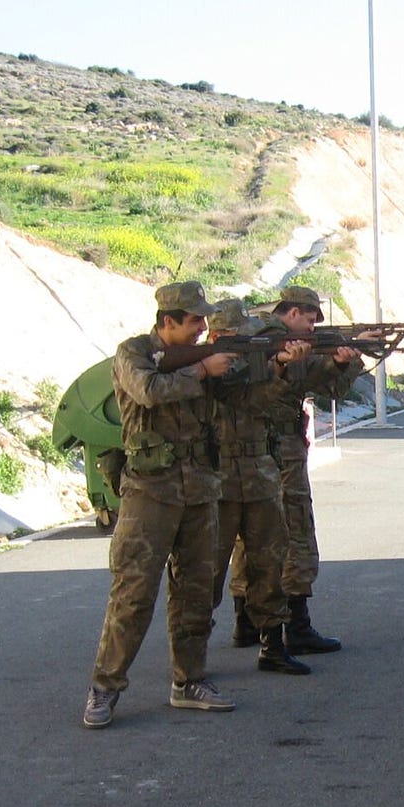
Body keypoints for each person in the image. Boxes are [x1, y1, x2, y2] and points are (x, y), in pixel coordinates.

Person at [83, 281, 241, 729]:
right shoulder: (132, 352)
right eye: (194, 321)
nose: (202, 328)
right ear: (167, 321)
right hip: (150, 493)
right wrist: (203, 370)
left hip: (200, 489)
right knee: (133, 594)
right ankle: (105, 686)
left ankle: (189, 680)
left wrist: (278, 363)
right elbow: (149, 390)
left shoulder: (202, 357)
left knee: (195, 593)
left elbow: (241, 399)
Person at [227, 285, 367, 654]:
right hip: (281, 449)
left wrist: (341, 361)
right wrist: (341, 363)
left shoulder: (254, 337)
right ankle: (297, 624)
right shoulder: (273, 343)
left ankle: (246, 620)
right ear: (291, 313)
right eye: (308, 318)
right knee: (296, 531)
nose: (311, 327)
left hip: (251, 450)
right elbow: (321, 388)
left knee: (250, 534)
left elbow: (320, 384)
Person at [206, 300, 312, 676]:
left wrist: (279, 367)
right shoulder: (198, 368)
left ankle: (273, 645)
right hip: (216, 479)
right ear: (217, 336)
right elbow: (221, 392)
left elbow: (257, 398)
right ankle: (190, 657)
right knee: (205, 573)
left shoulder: (248, 365)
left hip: (258, 471)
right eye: (238, 338)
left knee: (269, 563)